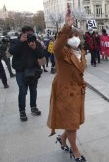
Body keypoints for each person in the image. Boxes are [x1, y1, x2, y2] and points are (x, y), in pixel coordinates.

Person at [47, 12, 87, 162]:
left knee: (73, 122)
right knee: (72, 123)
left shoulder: (81, 52)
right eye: (70, 37)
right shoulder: (61, 53)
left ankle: (62, 138)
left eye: (75, 35)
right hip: (65, 92)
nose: (74, 38)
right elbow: (57, 46)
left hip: (78, 92)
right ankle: (75, 151)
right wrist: (66, 27)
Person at [9, 26, 44, 121]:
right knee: (23, 91)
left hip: (33, 71)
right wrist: (21, 42)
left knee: (33, 90)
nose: (30, 35)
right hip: (21, 72)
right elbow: (11, 51)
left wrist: (34, 48)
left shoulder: (35, 42)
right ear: (23, 33)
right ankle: (22, 111)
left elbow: (41, 55)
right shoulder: (16, 41)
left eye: (31, 33)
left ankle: (33, 107)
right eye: (28, 33)